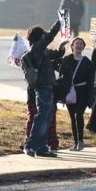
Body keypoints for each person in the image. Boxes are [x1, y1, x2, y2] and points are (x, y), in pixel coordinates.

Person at [24, 19, 67, 157]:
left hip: (48, 88)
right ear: (39, 37)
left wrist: (61, 49)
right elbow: (50, 36)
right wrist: (60, 22)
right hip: (42, 88)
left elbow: (54, 55)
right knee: (42, 117)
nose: (45, 36)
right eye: (43, 35)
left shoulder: (42, 51)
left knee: (47, 118)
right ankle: (30, 146)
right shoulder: (36, 48)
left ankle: (42, 148)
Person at [62, 37, 95, 151]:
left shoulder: (87, 62)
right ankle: (75, 142)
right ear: (72, 46)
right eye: (77, 44)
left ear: (84, 47)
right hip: (70, 92)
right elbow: (61, 74)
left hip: (82, 92)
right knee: (72, 117)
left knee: (78, 114)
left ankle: (80, 141)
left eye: (81, 44)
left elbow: (91, 81)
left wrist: (91, 98)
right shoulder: (66, 60)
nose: (79, 46)